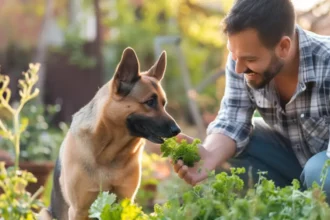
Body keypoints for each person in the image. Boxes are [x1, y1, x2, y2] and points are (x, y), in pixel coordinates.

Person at [173, 0, 330, 201]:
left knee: (320, 173)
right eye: (233, 54)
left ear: (283, 46)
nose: (239, 68)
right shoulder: (242, 57)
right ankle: (284, 206)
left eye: (250, 60)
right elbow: (232, 119)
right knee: (238, 145)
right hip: (294, 160)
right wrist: (208, 155)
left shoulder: (326, 62)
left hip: (324, 167)